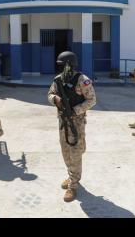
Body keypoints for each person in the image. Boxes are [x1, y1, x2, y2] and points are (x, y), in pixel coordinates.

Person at [47, 51, 96, 202]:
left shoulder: (83, 80)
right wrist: (54, 98)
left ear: (69, 65)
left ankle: (73, 185)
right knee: (65, 151)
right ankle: (71, 175)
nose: (60, 68)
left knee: (75, 151)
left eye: (62, 65)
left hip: (77, 122)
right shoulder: (57, 80)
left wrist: (75, 111)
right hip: (63, 122)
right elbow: (49, 94)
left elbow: (92, 100)